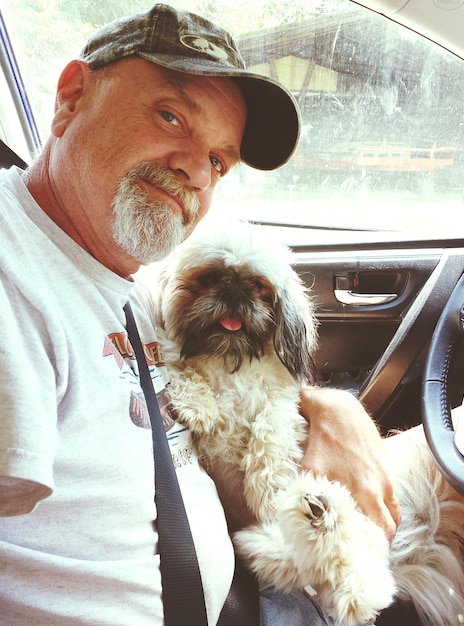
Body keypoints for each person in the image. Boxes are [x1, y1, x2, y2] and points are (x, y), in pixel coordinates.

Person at [0, 4, 400, 625]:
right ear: (71, 98)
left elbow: (229, 377)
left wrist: (329, 406)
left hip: (255, 587)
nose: (194, 168)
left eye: (218, 160)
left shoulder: (131, 281)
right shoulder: (14, 270)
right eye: (170, 116)